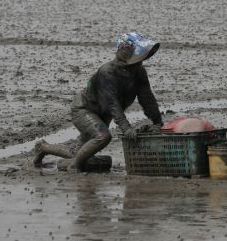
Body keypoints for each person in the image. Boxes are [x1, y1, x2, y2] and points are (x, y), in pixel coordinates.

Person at [32, 31, 164, 171]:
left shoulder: (139, 72)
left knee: (79, 152)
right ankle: (74, 166)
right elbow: (113, 104)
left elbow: (147, 98)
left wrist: (158, 122)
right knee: (103, 137)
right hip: (85, 109)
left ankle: (43, 147)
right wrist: (126, 128)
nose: (140, 60)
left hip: (103, 113)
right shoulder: (107, 73)